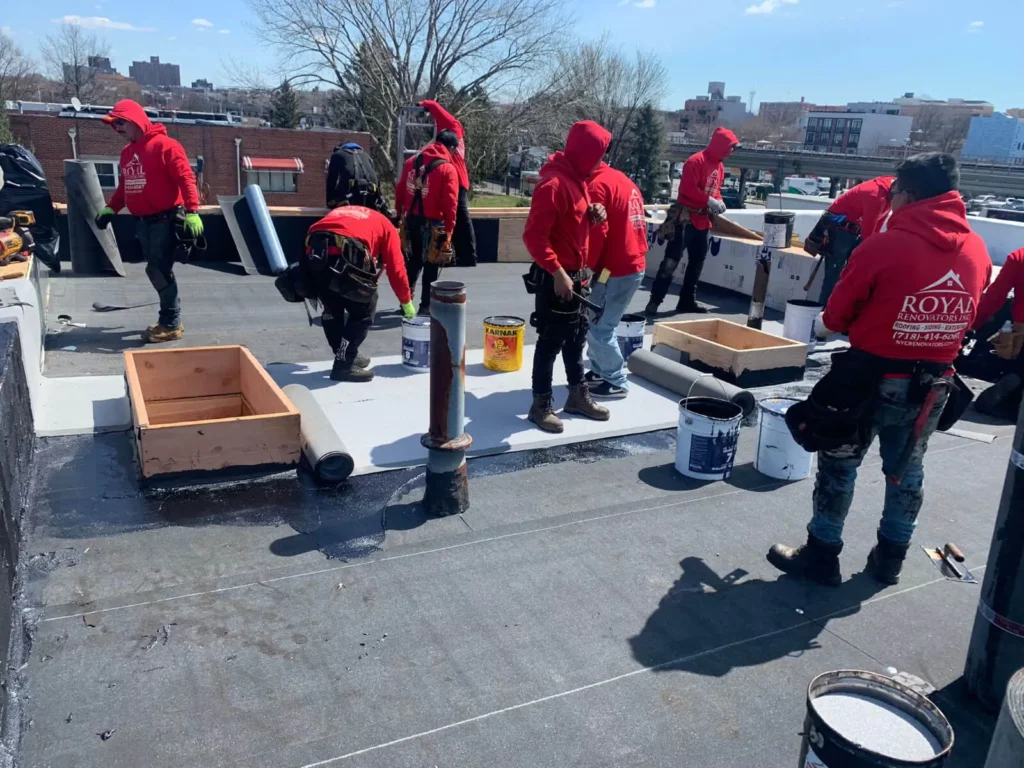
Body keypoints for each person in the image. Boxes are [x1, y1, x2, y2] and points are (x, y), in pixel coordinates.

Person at [768, 153, 991, 587]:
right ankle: (890, 560)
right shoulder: (977, 250)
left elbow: (835, 318)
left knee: (838, 464)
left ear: (907, 194)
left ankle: (822, 554)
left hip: (866, 382)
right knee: (908, 470)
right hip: (933, 385)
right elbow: (971, 315)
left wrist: (823, 327)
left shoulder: (883, 246)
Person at [523, 120, 612, 433]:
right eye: (598, 154)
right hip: (557, 280)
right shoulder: (554, 185)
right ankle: (540, 405)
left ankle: (577, 396)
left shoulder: (579, 183)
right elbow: (534, 237)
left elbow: (570, 226)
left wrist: (594, 213)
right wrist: (558, 272)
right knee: (550, 343)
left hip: (576, 278)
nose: (600, 161)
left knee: (575, 341)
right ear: (585, 153)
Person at [95, 100, 202, 343]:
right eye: (113, 125)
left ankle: (171, 323)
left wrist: (193, 211)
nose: (117, 128)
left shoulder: (167, 146)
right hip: (143, 222)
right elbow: (125, 188)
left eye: (120, 122)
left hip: (165, 219)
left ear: (135, 119)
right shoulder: (126, 153)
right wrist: (111, 208)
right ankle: (170, 320)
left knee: (158, 270)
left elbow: (186, 179)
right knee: (157, 269)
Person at [300, 206, 415, 382]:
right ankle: (344, 365)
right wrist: (406, 302)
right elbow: (396, 268)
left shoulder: (346, 211)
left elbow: (314, 229)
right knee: (364, 309)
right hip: (347, 251)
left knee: (332, 308)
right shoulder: (388, 227)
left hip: (316, 253)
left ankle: (343, 353)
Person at [646, 127, 739, 317]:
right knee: (671, 261)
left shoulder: (719, 166)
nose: (731, 152)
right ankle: (655, 301)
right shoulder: (695, 161)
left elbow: (715, 188)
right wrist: (709, 200)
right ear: (720, 146)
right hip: (685, 219)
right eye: (730, 148)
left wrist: (718, 200)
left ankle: (687, 300)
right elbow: (688, 189)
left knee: (697, 263)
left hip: (703, 219)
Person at [584, 162, 648, 399]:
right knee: (595, 320)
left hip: (617, 269)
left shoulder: (597, 185)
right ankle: (600, 371)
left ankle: (616, 380)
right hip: (624, 265)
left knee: (600, 327)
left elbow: (597, 232)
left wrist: (585, 267)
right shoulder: (621, 179)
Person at [395, 130, 460, 315]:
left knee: (413, 262)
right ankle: (426, 306)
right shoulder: (448, 169)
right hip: (435, 224)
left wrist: (399, 215)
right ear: (451, 148)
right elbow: (451, 204)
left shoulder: (411, 162)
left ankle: (405, 303)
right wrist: (449, 231)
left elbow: (400, 190)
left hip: (411, 221)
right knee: (432, 265)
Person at [803, 176, 895, 305]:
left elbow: (877, 224)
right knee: (834, 274)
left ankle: (840, 307)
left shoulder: (891, 194)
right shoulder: (875, 196)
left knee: (850, 273)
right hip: (839, 231)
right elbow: (868, 233)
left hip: (853, 232)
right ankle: (824, 310)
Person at [420, 100, 477, 266]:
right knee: (453, 215)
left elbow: (444, 115)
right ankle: (456, 253)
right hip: (453, 178)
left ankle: (468, 256)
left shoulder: (454, 130)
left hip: (456, 179)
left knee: (460, 216)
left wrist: (426, 103)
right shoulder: (451, 137)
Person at [971, 246, 1024, 412]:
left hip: (1021, 327)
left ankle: (1014, 378)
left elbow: (995, 295)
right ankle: (1015, 380)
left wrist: (975, 324)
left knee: (1015, 358)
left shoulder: (1019, 256)